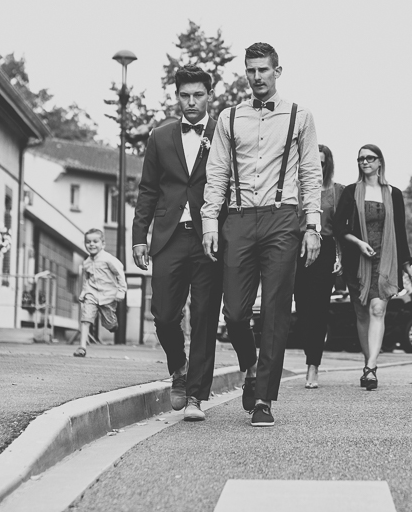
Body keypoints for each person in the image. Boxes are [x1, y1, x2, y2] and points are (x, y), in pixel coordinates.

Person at [201, 42, 322, 428]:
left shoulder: (300, 116)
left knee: (274, 311)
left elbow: (310, 175)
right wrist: (208, 222)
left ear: (277, 71)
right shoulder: (229, 117)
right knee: (234, 312)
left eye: (263, 70)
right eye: (251, 71)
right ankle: (250, 367)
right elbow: (217, 172)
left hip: (282, 218)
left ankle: (264, 399)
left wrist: (313, 226)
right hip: (237, 219)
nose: (257, 78)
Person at [131, 66, 223, 422]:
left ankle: (197, 397)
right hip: (168, 236)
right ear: (176, 97)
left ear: (208, 96)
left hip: (209, 237)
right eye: (184, 95)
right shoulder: (160, 135)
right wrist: (139, 235)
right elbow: (148, 189)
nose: (191, 102)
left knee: (203, 318)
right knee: (165, 315)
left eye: (198, 95)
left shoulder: (222, 132)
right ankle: (178, 368)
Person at [334, 144, 412, 389]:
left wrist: (406, 264)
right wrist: (358, 243)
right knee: (361, 313)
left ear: (380, 162)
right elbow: (339, 228)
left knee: (378, 310)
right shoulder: (351, 191)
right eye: (361, 159)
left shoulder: (394, 193)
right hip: (357, 260)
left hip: (386, 260)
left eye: (370, 158)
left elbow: (400, 231)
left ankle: (371, 368)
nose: (365, 162)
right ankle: (367, 362)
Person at [293, 144, 344, 389]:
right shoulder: (296, 189)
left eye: (321, 163)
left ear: (327, 164)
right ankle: (307, 356)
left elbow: (342, 230)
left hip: (325, 250)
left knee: (319, 310)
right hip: (297, 250)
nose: (317, 166)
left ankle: (313, 365)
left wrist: (339, 257)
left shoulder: (337, 191)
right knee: (301, 310)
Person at [74, 229, 127, 358]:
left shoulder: (108, 259)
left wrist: (121, 291)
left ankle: (112, 324)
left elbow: (119, 274)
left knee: (109, 324)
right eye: (88, 242)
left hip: (108, 295)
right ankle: (82, 347)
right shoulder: (86, 262)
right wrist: (84, 293)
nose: (91, 244)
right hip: (91, 294)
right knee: (86, 319)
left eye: (95, 241)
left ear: (103, 244)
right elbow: (86, 279)